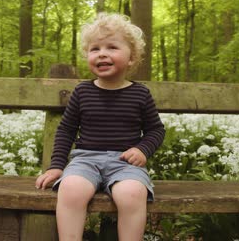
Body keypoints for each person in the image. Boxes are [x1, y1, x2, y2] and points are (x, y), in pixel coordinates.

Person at [35, 13, 166, 241]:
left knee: (132, 193)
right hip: (85, 160)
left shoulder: (140, 94)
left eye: (112, 47)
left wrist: (142, 150)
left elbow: (156, 130)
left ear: (132, 58)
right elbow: (66, 130)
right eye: (95, 49)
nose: (102, 53)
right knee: (71, 189)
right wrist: (56, 167)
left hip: (125, 163)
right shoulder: (82, 92)